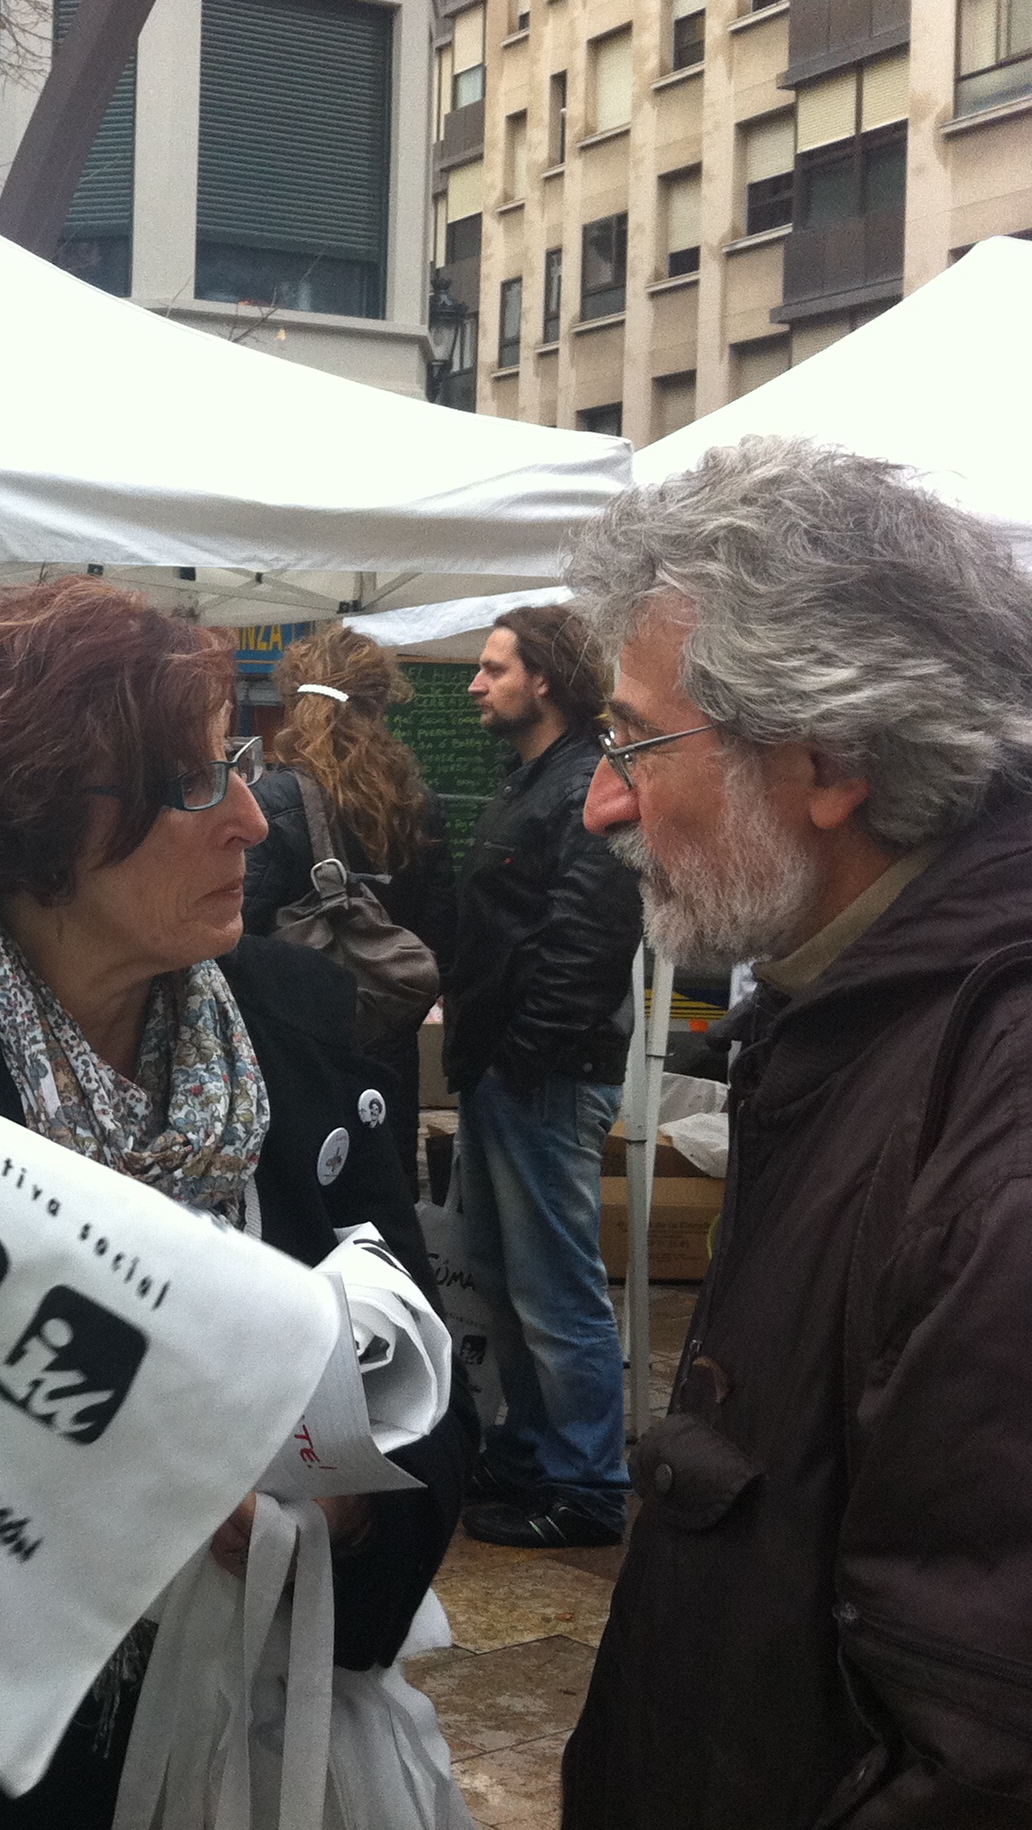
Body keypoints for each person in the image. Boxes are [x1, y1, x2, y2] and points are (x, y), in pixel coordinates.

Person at [0, 578, 473, 1828]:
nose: (253, 825)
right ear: (45, 818)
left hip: (226, 1745)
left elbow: (425, 1385)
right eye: (196, 783)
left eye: (241, 766)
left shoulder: (294, 1026)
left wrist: (346, 1515)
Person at [562, 438, 1032, 1829]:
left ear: (830, 762)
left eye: (635, 742)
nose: (600, 802)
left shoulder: (990, 1115)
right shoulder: (854, 1012)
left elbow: (982, 1747)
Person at [440, 604, 643, 1549]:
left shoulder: (588, 784)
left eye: (492, 668)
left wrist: (524, 1057)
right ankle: (529, 1453)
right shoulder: (534, 779)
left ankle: (589, 1486)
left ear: (544, 680)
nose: (476, 685)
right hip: (505, 1071)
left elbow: (589, 939)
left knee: (559, 1292)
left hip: (544, 1077)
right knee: (507, 1277)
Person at [243, 628, 458, 1188]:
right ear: (379, 704)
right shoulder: (418, 802)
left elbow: (235, 938)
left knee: (299, 1207)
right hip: (387, 1038)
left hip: (289, 1050)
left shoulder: (271, 801)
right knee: (378, 1197)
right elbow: (439, 933)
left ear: (292, 701)